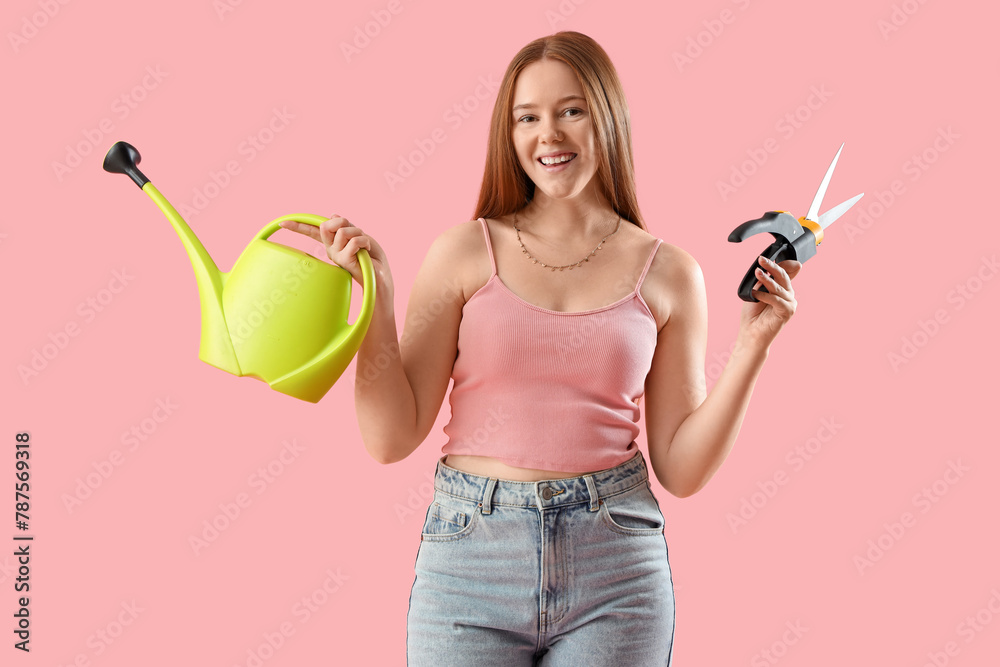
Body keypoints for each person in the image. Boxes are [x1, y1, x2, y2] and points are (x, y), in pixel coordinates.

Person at [279, 30, 801, 667]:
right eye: (527, 117)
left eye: (570, 111)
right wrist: (375, 297)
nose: (548, 135)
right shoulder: (465, 252)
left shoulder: (669, 273)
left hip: (616, 566)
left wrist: (754, 343)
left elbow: (682, 469)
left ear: (606, 118)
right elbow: (390, 438)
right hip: (469, 562)